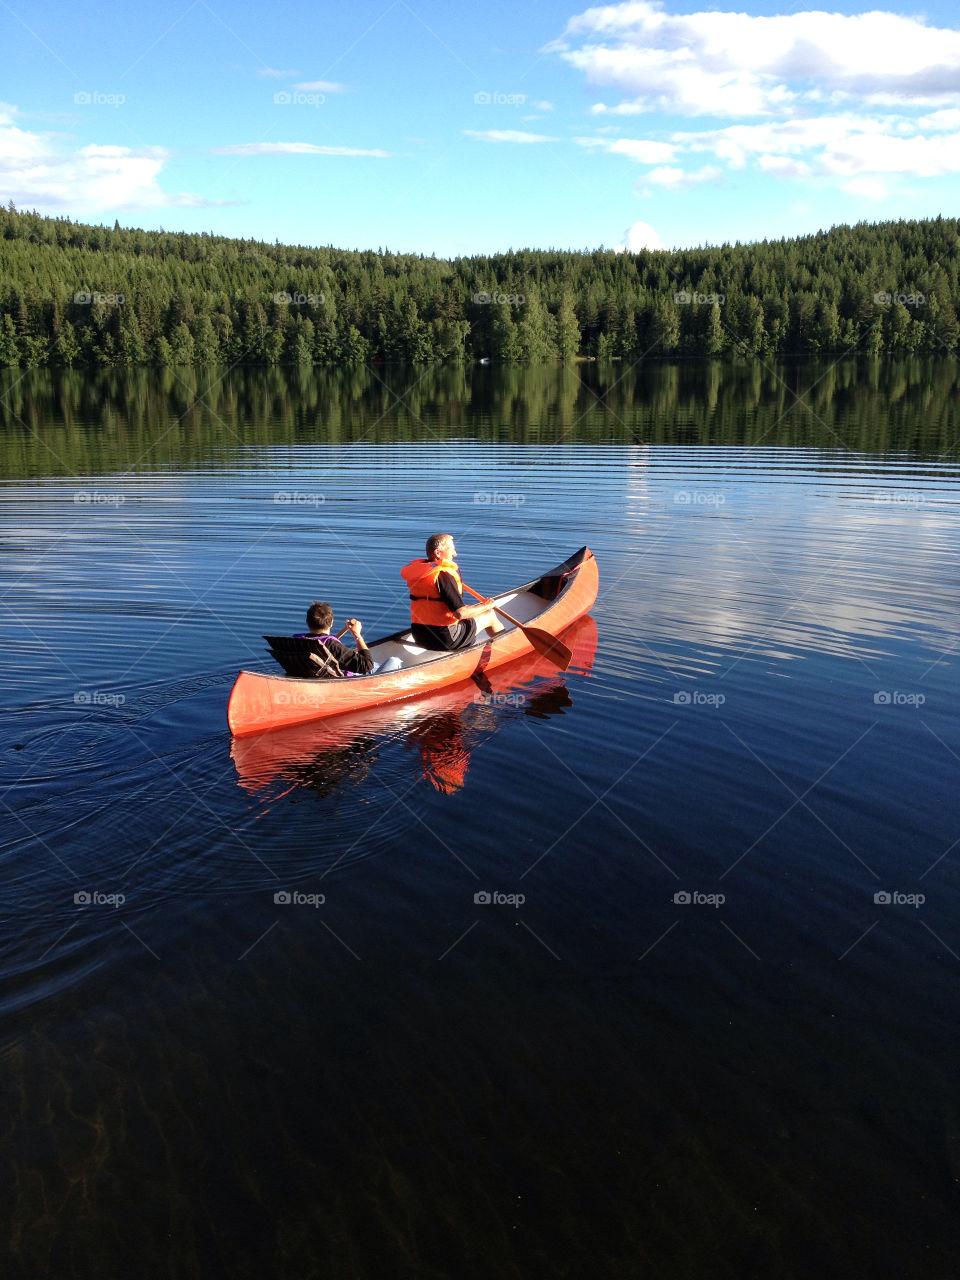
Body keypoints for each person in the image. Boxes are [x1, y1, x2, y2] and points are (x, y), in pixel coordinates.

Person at [401, 533, 504, 651]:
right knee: (489, 614)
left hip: (420, 636)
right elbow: (460, 613)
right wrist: (486, 605)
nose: (455, 554)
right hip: (445, 638)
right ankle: (505, 648)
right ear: (438, 553)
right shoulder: (443, 575)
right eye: (451, 549)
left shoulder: (421, 573)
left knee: (473, 612)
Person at [298, 602, 401, 676]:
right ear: (332, 623)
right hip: (345, 683)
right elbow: (367, 665)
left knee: (376, 665)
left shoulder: (298, 642)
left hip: (319, 673)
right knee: (394, 661)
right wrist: (357, 635)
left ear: (307, 622)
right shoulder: (332, 645)